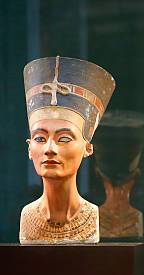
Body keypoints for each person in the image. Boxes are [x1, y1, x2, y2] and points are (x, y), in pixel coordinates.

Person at [19, 56, 115, 244]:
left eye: (64, 138)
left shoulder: (93, 215)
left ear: (87, 148)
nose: (50, 149)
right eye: (40, 138)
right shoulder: (26, 215)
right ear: (30, 148)